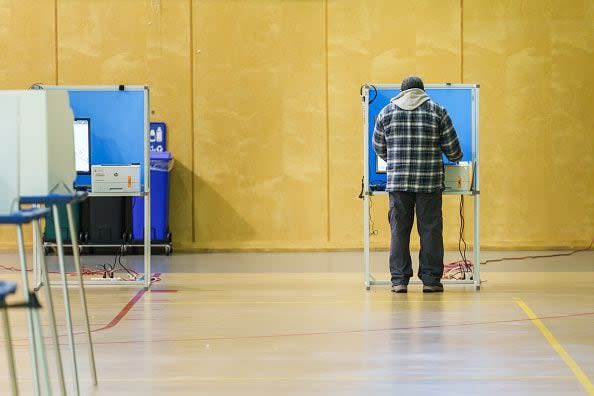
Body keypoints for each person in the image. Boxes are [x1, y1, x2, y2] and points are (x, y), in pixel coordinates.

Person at [373, 76, 462, 293]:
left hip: (398, 184)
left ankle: (399, 281)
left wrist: (395, 160)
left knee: (399, 231)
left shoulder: (386, 112)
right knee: (430, 230)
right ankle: (431, 280)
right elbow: (453, 150)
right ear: (422, 91)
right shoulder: (437, 111)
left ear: (402, 91)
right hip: (429, 182)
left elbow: (378, 147)